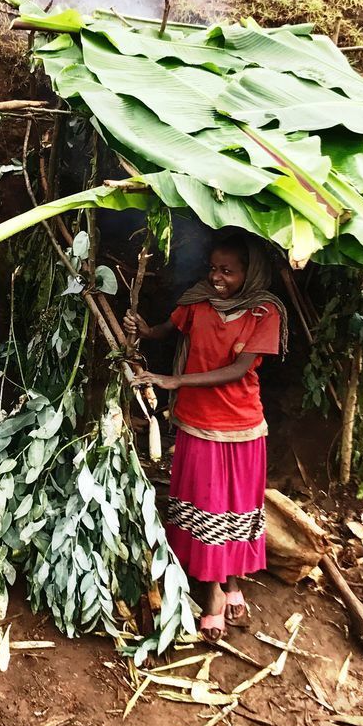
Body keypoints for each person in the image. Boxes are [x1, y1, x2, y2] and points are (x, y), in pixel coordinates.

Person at [124, 230, 288, 641]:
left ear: (249, 274)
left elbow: (239, 369)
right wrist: (144, 331)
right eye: (213, 268)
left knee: (234, 510)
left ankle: (234, 580)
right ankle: (213, 592)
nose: (217, 277)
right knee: (207, 509)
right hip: (198, 424)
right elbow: (168, 328)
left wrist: (175, 380)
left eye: (228, 271)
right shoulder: (197, 302)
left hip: (243, 426)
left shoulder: (264, 312)